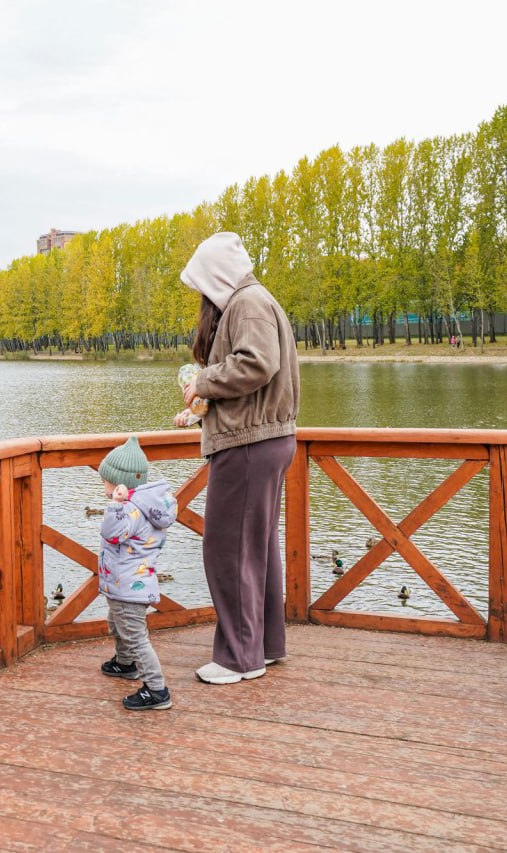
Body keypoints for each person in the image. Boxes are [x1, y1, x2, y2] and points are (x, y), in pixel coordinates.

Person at [177, 232, 300, 685]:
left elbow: (256, 363)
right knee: (257, 547)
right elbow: (258, 382)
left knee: (227, 549)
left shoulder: (246, 303)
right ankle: (263, 646)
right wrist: (202, 412)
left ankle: (236, 659)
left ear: (215, 274)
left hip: (248, 446)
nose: (200, 295)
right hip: (264, 439)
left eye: (201, 282)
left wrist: (205, 382)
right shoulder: (255, 300)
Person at [96, 436, 177, 710]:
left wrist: (115, 505)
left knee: (135, 636)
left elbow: (110, 532)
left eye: (106, 480)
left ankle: (156, 690)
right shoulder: (147, 505)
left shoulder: (130, 509)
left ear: (120, 483)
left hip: (128, 587)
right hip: (130, 583)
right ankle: (124, 663)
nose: (103, 485)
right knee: (120, 625)